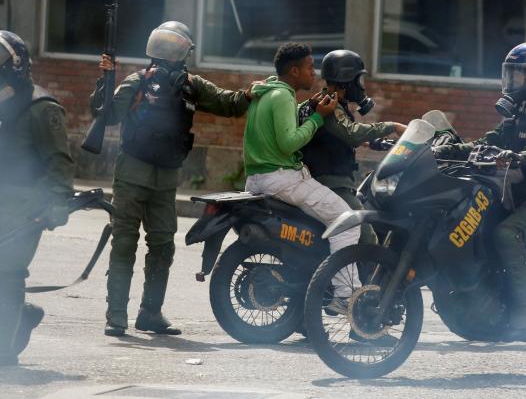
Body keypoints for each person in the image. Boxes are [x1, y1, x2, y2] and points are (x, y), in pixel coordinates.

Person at [92, 21, 253, 337]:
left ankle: (150, 314)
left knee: (163, 246)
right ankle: (116, 315)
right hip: (132, 175)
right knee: (124, 242)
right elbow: (106, 114)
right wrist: (105, 79)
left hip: (165, 179)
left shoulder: (191, 85)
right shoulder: (138, 82)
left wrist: (251, 93)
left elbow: (229, 103)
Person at [433, 42, 526, 340]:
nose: (512, 82)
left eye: (519, 75)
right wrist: (445, 150)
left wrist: (522, 156)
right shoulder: (518, 115)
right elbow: (484, 143)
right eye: (510, 74)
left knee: (506, 233)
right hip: (521, 201)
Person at [243, 42, 361, 302]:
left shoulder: (264, 94)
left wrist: (309, 107)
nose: (314, 73)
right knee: (347, 221)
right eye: (310, 67)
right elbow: (289, 143)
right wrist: (317, 118)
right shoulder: (283, 96)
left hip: (255, 179)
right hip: (282, 178)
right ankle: (347, 296)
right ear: (294, 71)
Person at [0, 31, 75, 365]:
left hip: (26, 204)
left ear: (16, 63)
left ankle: (4, 353)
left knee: (8, 271)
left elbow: (59, 161)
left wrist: (59, 202)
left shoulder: (41, 107)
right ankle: (24, 315)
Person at [299, 50, 405, 245]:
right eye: (358, 80)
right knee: (367, 238)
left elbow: (337, 135)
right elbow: (351, 133)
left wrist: (374, 142)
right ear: (345, 82)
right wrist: (392, 127)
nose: (360, 86)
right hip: (332, 184)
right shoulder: (329, 105)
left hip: (331, 182)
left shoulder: (327, 101)